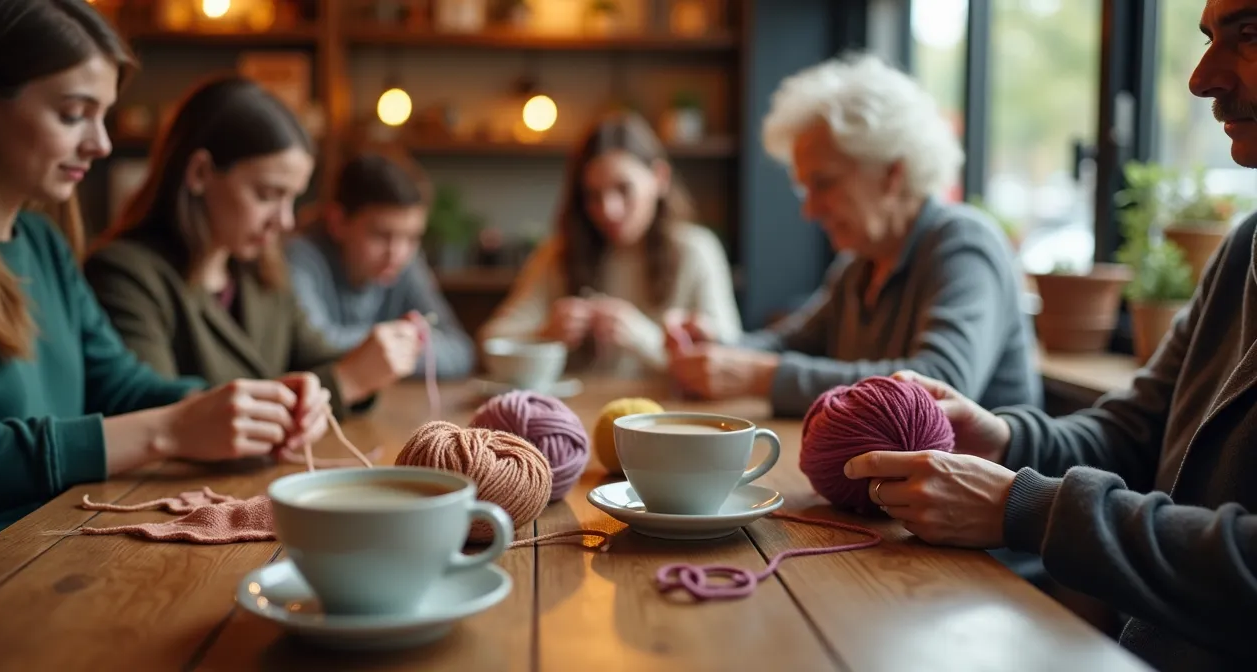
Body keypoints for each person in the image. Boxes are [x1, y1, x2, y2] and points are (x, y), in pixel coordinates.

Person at [843, 3, 1257, 667]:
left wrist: (1023, 506)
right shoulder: (1244, 251)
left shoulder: (959, 244)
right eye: (1208, 38)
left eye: (1250, 32)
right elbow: (1129, 436)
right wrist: (1001, 437)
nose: (1201, 78)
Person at [0, 0, 331, 559]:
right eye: (74, 113)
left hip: (52, 543)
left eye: (102, 116)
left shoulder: (45, 245)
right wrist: (169, 430)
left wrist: (240, 407)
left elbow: (118, 386)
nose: (100, 143)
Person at [665, 53, 1042, 418]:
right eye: (805, 189)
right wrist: (717, 346)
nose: (809, 210)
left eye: (824, 184)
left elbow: (940, 384)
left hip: (981, 481)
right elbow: (789, 344)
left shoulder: (965, 244)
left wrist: (759, 377)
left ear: (892, 174)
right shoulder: (860, 265)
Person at [84, 76, 418, 416]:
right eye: (267, 194)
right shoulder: (124, 275)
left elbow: (318, 360)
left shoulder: (262, 272)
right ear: (200, 173)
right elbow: (159, 416)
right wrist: (347, 381)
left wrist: (370, 363)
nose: (285, 220)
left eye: (292, 198)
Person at [478, 111, 742, 378]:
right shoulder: (558, 253)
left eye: (624, 189)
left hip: (667, 416)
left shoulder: (696, 251)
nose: (608, 210)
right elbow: (491, 342)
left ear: (660, 178)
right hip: (577, 414)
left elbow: (729, 363)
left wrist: (643, 338)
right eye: (593, 195)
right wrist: (544, 334)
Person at [284, 150, 474, 379]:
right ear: (338, 221)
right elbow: (313, 347)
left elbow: (460, 351)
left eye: (412, 237)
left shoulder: (406, 263)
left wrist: (390, 351)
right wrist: (407, 342)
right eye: (381, 235)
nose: (397, 252)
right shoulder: (299, 257)